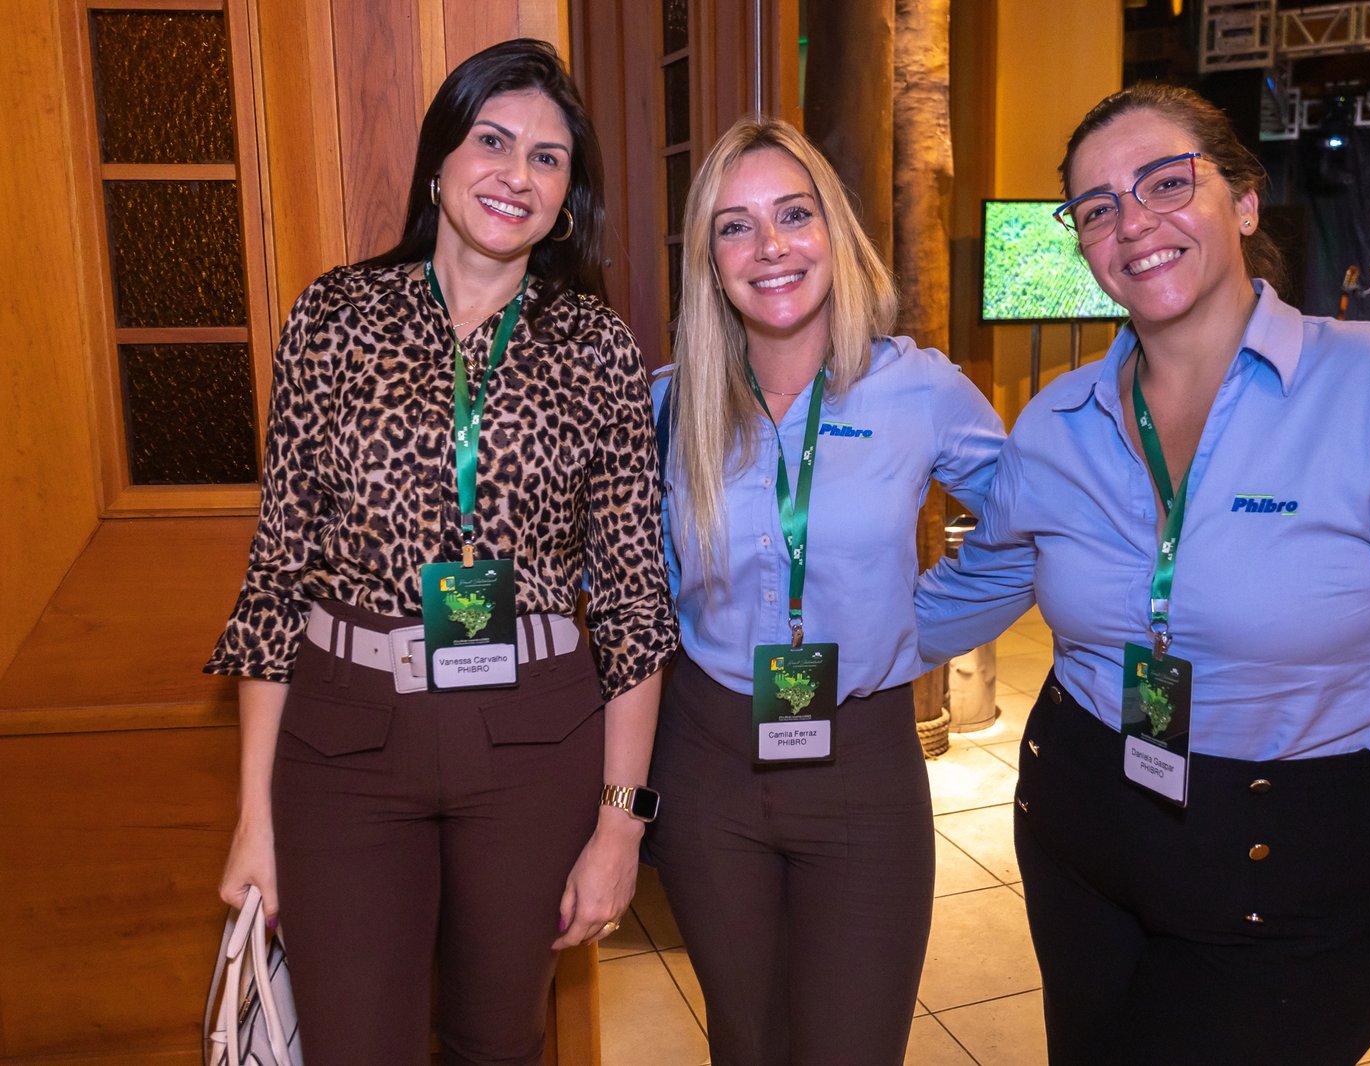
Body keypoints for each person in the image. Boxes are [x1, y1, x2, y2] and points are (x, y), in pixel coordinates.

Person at [915, 83, 1370, 1065]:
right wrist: (781, 654)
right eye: (1097, 207)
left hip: (1288, 855)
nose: (1133, 222)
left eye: (1167, 183)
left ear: (1244, 202)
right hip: (1081, 819)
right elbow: (985, 579)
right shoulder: (1056, 420)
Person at [204, 39, 675, 1066]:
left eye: (547, 158)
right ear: (439, 161)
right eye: (492, 141)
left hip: (533, 743)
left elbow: (635, 603)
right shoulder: (334, 317)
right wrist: (253, 816)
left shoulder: (596, 347)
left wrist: (621, 826)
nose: (517, 174)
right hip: (345, 743)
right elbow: (276, 577)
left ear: (568, 196)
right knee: (352, 1044)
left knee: (499, 1043)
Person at [646, 116, 1005, 1065]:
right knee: (746, 1043)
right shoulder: (670, 404)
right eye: (735, 226)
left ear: (835, 231)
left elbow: (1029, 526)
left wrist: (918, 630)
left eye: (794, 214)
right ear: (709, 260)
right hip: (708, 761)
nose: (770, 246)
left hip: (863, 761)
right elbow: (635, 580)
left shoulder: (917, 390)